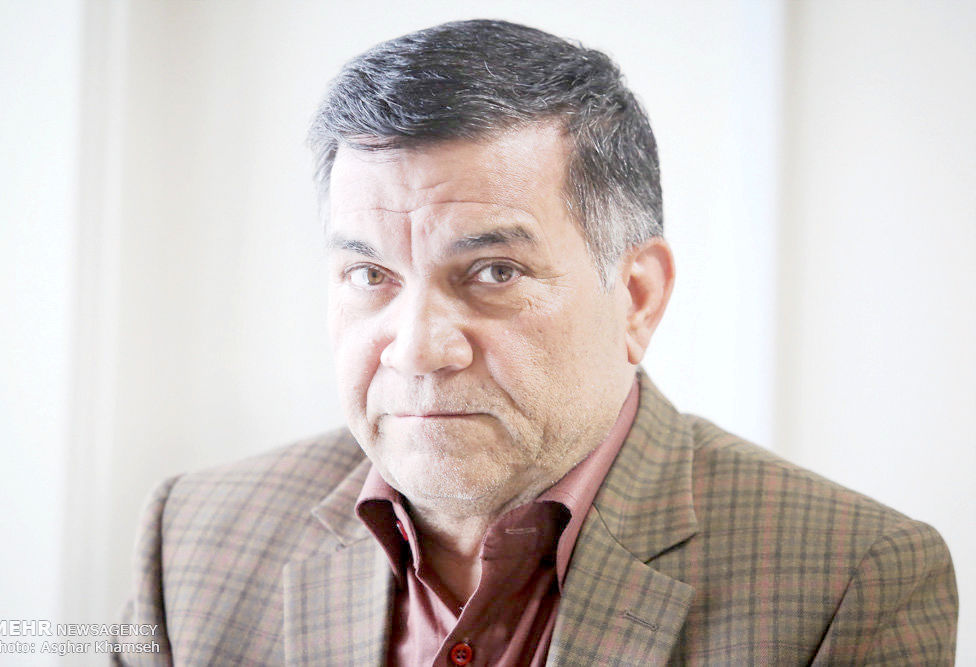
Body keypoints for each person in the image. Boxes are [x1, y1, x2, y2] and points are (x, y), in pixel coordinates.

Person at [116, 19, 958, 666]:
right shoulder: (193, 539)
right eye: (370, 275)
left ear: (637, 297)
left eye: (494, 272)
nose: (418, 349)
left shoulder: (851, 581)